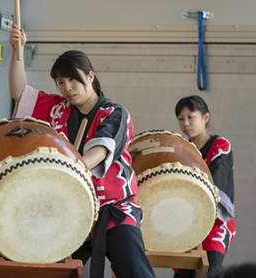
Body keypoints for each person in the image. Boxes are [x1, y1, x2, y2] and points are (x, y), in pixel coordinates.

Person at [9, 24, 155, 278]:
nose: (67, 88)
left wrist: (72, 167)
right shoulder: (57, 108)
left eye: (73, 79)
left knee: (134, 271)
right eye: (61, 82)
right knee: (49, 273)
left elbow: (100, 149)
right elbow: (20, 93)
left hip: (114, 210)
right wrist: (16, 50)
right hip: (69, 212)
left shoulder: (114, 113)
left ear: (90, 76)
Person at [174, 95, 236, 277]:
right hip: (187, 223)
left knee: (210, 271)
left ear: (205, 117)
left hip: (215, 223)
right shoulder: (181, 149)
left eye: (191, 117)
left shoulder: (220, 146)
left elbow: (215, 186)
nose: (186, 123)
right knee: (184, 274)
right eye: (180, 118)